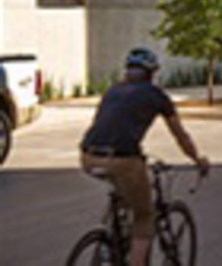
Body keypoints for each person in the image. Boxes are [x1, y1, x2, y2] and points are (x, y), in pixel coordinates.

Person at [80, 47, 210, 266]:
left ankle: (107, 240)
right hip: (123, 160)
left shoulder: (113, 91)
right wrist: (198, 160)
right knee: (144, 218)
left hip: (88, 156)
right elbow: (181, 136)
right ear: (152, 74)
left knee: (123, 194)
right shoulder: (156, 96)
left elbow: (105, 126)